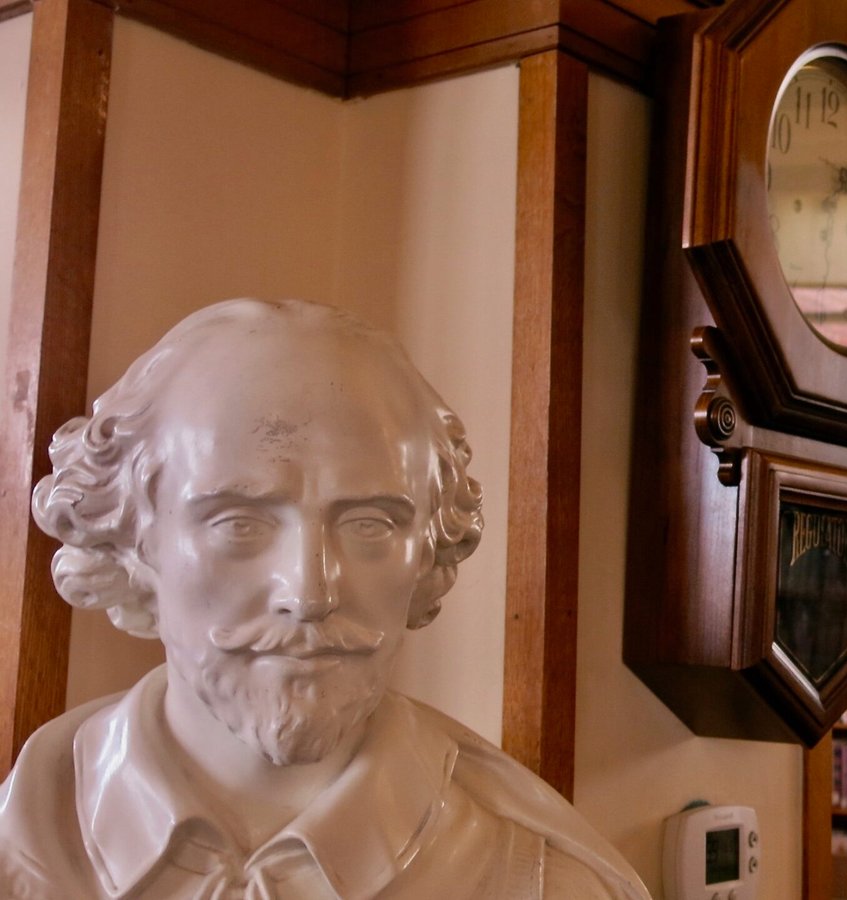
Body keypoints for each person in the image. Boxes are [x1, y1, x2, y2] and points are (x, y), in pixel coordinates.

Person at [0, 299, 648, 899]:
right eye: (239, 525)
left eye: (369, 524)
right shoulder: (22, 854)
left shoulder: (540, 881)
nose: (311, 593)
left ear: (428, 549)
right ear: (132, 545)